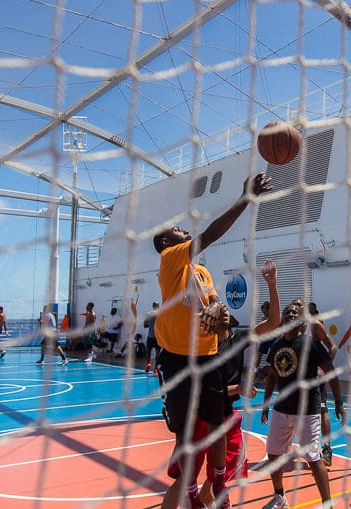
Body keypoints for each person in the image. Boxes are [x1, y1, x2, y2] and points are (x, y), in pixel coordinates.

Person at [154, 172, 272, 509]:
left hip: (209, 354)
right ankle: (191, 494)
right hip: (178, 359)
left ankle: (218, 477)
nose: (185, 230)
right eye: (179, 231)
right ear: (168, 243)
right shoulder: (170, 259)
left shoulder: (202, 272)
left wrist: (220, 313)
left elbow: (219, 311)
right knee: (186, 434)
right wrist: (245, 199)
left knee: (219, 422)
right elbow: (210, 234)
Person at [163, 259, 281, 509]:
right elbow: (201, 392)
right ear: (207, 319)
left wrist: (272, 284)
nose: (222, 309)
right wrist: (239, 389)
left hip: (225, 416)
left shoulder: (238, 341)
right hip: (201, 418)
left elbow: (273, 323)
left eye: (225, 308)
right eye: (217, 307)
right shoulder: (197, 350)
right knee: (186, 478)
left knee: (220, 478)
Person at [261, 302, 346, 509]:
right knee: (273, 454)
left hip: (307, 410)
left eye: (295, 313)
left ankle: (327, 504)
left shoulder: (311, 345)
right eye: (287, 312)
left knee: (313, 458)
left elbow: (331, 372)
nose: (291, 314)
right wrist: (266, 404)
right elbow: (272, 376)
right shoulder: (277, 346)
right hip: (282, 408)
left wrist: (338, 401)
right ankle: (280, 496)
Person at [294, 299, 338, 467]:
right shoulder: (290, 328)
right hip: (297, 379)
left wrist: (322, 369)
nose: (297, 308)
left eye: (300, 305)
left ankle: (327, 448)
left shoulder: (315, 325)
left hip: (315, 377)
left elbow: (333, 347)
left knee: (322, 410)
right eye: (295, 305)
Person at [143, 301, 160, 374]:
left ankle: (148, 364)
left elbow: (145, 325)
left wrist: (150, 326)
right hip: (158, 337)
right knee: (157, 353)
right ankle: (155, 368)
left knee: (148, 351)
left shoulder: (148, 314)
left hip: (150, 336)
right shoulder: (161, 314)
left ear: (152, 306)